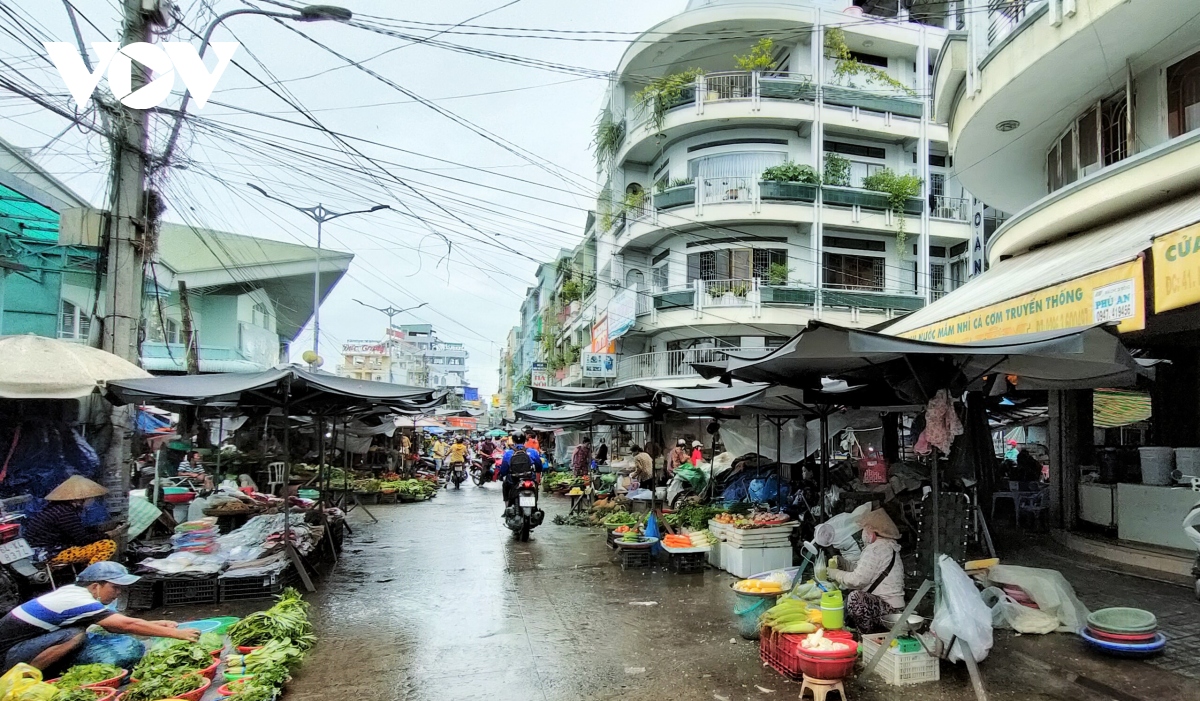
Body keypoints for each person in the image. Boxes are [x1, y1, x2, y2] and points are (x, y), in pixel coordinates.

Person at [0, 562, 199, 673]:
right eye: (114, 587)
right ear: (96, 586)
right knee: (75, 635)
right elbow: (125, 624)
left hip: (22, 646)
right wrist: (178, 634)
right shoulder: (76, 599)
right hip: (7, 656)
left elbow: (113, 626)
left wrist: (154, 624)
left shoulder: (73, 593)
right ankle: (29, 674)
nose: (117, 593)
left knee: (78, 633)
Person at [826, 508, 905, 633]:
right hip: (893, 608)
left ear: (872, 533)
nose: (863, 533)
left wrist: (835, 574)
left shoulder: (875, 549)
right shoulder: (887, 546)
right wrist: (845, 564)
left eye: (865, 530)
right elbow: (868, 572)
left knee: (855, 598)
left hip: (885, 608)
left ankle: (867, 636)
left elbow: (857, 580)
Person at [25, 476, 121, 566]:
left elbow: (76, 531)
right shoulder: (64, 513)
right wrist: (110, 534)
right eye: (90, 498)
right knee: (108, 545)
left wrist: (99, 529)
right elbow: (83, 539)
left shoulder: (58, 509)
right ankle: (90, 576)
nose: (92, 500)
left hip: (45, 549)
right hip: (48, 553)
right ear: (81, 499)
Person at [501, 433, 544, 508]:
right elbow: (539, 467)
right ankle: (535, 505)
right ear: (525, 441)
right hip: (530, 479)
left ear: (513, 441)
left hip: (513, 481)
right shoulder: (533, 452)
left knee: (505, 485)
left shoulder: (508, 453)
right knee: (535, 486)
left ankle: (507, 507)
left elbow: (504, 470)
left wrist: (502, 474)